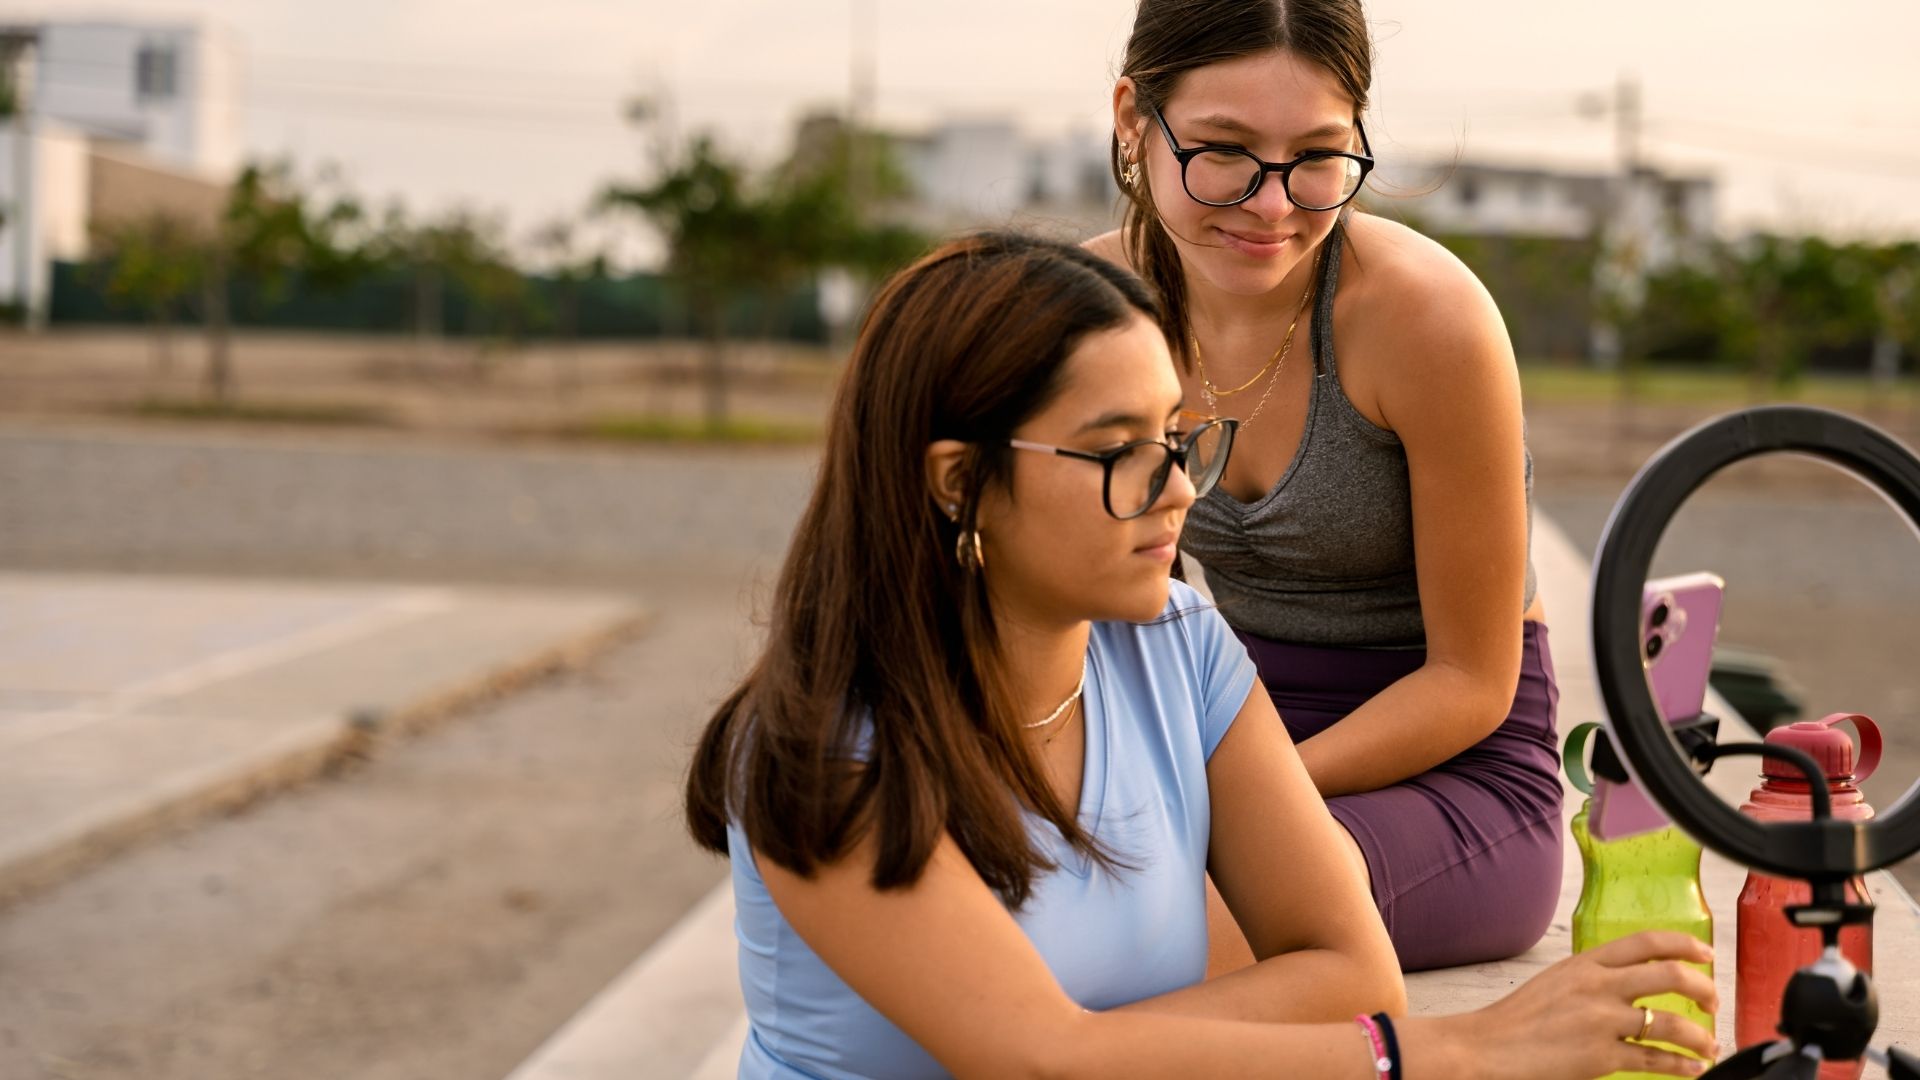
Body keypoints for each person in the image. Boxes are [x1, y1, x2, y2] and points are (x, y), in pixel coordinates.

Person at [684, 231, 1716, 1079]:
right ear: (958, 483)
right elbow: (1038, 1059)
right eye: (1122, 451)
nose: (1180, 488)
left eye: (1180, 439)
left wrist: (1122, 1053)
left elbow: (1353, 971)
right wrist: (1459, 1055)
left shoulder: (1175, 650)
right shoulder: (822, 754)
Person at [1086, 0, 1562, 973]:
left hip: (1452, 771)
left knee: (1174, 926)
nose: (1273, 204)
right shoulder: (1093, 310)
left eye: (1318, 156)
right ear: (1135, 120)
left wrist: (1235, 797)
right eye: (1222, 151)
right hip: (1225, 733)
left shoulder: (1425, 321)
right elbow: (1084, 601)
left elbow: (1473, 682)